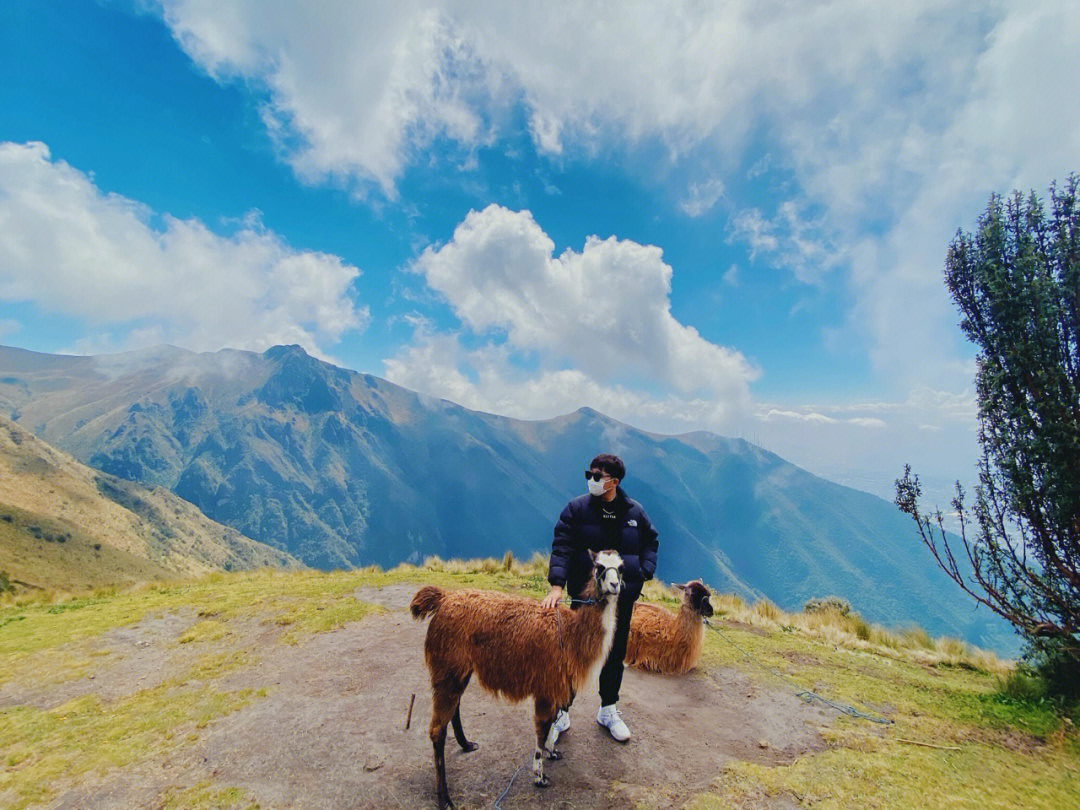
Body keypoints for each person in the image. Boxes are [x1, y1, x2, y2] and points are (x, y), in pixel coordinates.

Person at [540, 453, 659, 742]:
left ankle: (608, 709)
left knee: (615, 653)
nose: (591, 480)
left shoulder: (635, 513)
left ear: (614, 482)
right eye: (589, 475)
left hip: (621, 600)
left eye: (597, 476)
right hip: (585, 599)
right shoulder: (576, 510)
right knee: (573, 651)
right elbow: (562, 546)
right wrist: (557, 585)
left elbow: (651, 541)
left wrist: (644, 570)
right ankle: (561, 711)